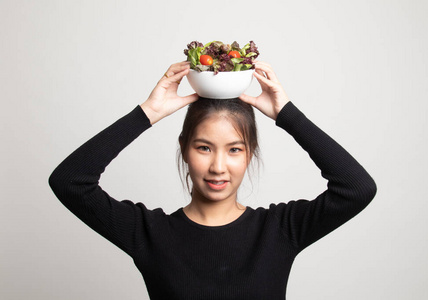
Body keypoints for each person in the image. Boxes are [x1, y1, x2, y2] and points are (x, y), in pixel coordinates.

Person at [49, 61, 377, 299]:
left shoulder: (278, 230)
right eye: (204, 147)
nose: (218, 166)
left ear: (250, 154)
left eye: (234, 149)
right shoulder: (148, 234)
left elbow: (356, 189)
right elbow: (70, 181)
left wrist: (287, 114)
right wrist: (148, 112)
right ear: (185, 149)